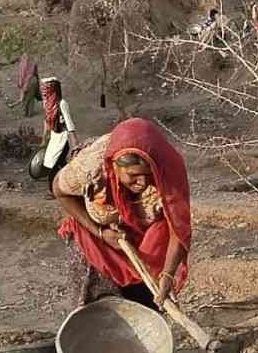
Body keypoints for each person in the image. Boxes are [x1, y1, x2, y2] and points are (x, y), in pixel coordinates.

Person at [54, 118, 191, 311]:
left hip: (147, 236)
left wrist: (167, 274)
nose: (142, 183)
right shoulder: (91, 167)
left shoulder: (168, 167)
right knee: (98, 304)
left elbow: (178, 228)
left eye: (148, 174)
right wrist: (100, 232)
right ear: (115, 167)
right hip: (96, 234)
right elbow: (60, 192)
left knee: (146, 298)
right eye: (133, 176)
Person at [39, 77, 79, 196]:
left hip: (63, 137)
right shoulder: (46, 104)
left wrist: (74, 143)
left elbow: (69, 123)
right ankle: (68, 185)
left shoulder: (62, 104)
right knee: (52, 162)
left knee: (56, 164)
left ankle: (54, 190)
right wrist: (44, 138)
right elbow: (47, 121)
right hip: (54, 137)